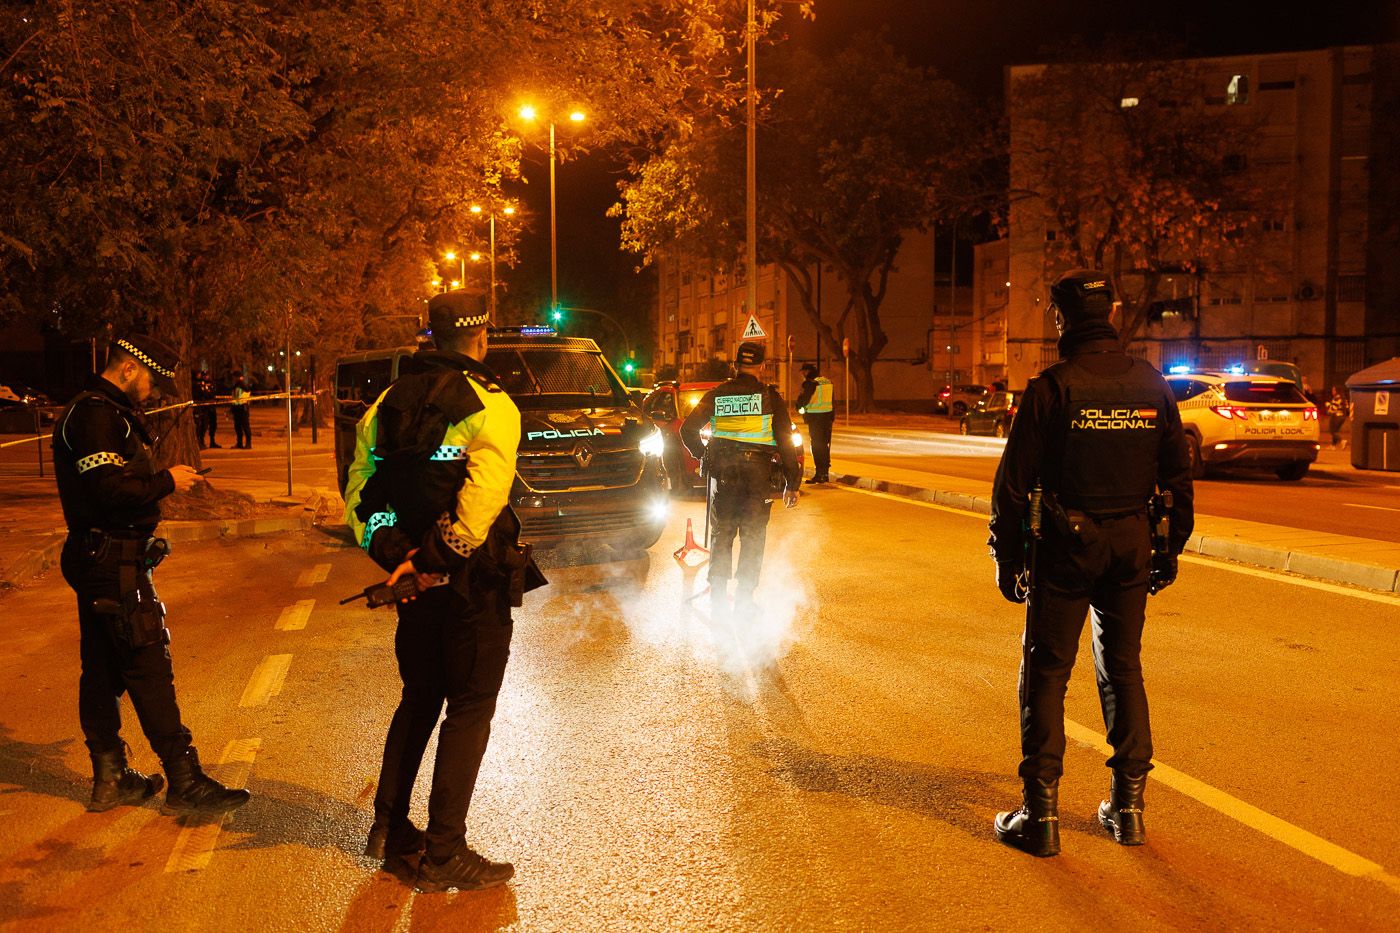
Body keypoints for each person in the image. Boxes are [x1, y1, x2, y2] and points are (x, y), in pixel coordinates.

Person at [987, 271, 1193, 857]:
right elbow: (1178, 478)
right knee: (1123, 667)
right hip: (1131, 540)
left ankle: (1041, 814)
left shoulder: (1054, 387)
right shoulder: (1152, 386)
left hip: (1065, 545)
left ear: (1062, 319)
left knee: (1048, 670)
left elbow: (1012, 486)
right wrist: (1168, 547)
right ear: (1108, 314)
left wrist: (1007, 558)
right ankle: (1128, 810)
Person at [345, 290, 545, 892]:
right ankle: (443, 854)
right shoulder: (491, 407)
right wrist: (438, 559)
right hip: (469, 586)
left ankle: (390, 830)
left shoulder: (382, 404)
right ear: (480, 339)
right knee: (469, 708)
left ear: (431, 336)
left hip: (412, 586)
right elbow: (481, 502)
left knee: (419, 697)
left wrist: (396, 556)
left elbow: (360, 490)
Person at [52, 335, 252, 817]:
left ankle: (111, 777)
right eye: (151, 380)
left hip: (103, 557)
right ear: (127, 370)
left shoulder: (99, 411)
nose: (154, 391)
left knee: (101, 668)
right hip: (111, 563)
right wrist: (168, 481)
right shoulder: (97, 416)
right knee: (147, 664)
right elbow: (109, 490)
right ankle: (185, 781)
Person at [680, 341, 800, 618]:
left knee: (722, 534)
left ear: (735, 365)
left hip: (725, 475)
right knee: (753, 536)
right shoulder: (771, 397)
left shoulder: (717, 395)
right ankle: (745, 599)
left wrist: (704, 456)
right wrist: (792, 483)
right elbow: (785, 442)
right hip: (758, 476)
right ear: (762, 367)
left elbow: (688, 430)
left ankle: (718, 596)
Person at [796, 362, 835, 484]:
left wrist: (799, 407)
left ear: (807, 372)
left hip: (815, 417)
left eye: (803, 372)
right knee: (825, 445)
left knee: (817, 446)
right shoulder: (827, 382)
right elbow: (833, 400)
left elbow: (803, 400)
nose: (802, 374)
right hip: (827, 417)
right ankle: (825, 473)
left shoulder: (810, 383)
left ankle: (819, 474)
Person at [192, 369, 221, 449]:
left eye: (207, 375)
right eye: (204, 375)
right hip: (204, 408)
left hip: (212, 407)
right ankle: (201, 441)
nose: (205, 377)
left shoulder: (212, 383)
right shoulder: (199, 383)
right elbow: (204, 394)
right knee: (203, 425)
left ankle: (212, 441)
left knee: (213, 425)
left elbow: (213, 392)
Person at [230, 374, 252, 448]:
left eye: (236, 377)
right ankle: (239, 443)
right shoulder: (235, 386)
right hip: (237, 409)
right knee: (238, 427)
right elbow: (234, 398)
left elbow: (244, 396)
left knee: (245, 427)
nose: (234, 379)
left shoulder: (243, 386)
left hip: (243, 409)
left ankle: (248, 444)